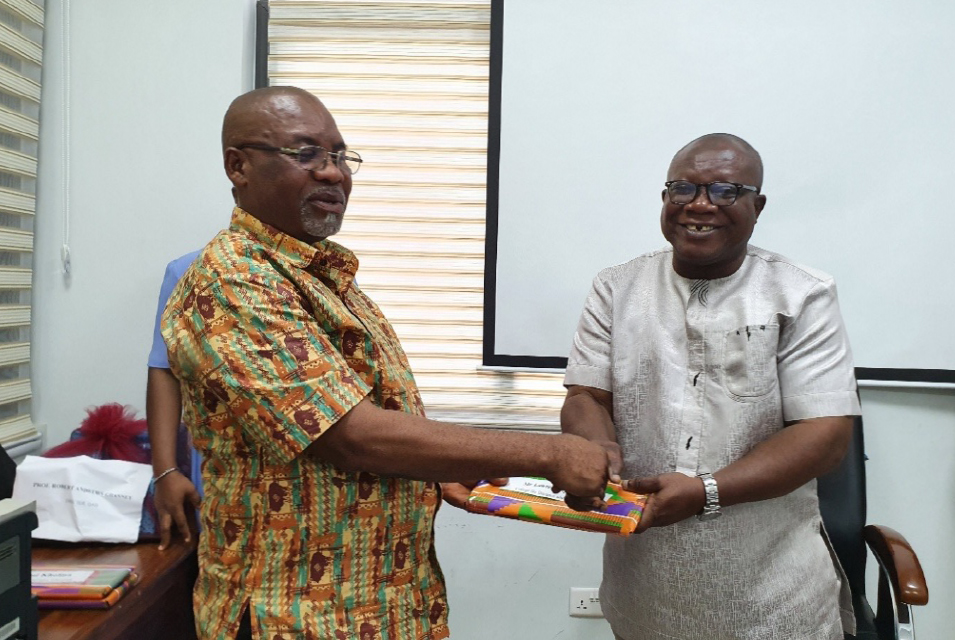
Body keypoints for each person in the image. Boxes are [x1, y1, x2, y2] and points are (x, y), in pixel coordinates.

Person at [159, 86, 612, 640]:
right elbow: (352, 436)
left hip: (382, 605)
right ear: (239, 165)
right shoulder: (235, 282)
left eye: (340, 156)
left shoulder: (326, 280)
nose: (333, 173)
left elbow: (381, 422)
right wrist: (548, 452)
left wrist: (446, 465)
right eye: (306, 154)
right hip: (298, 615)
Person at [561, 133, 861, 640]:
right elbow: (586, 396)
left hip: (771, 597)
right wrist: (596, 450)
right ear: (664, 198)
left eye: (725, 191)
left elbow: (825, 433)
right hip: (644, 585)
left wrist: (707, 492)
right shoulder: (616, 288)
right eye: (683, 189)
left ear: (756, 205)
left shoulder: (802, 294)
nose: (700, 205)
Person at [145, 249, 202, 550]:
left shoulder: (330, 272)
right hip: (224, 485)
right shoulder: (189, 271)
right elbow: (165, 369)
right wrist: (165, 471)